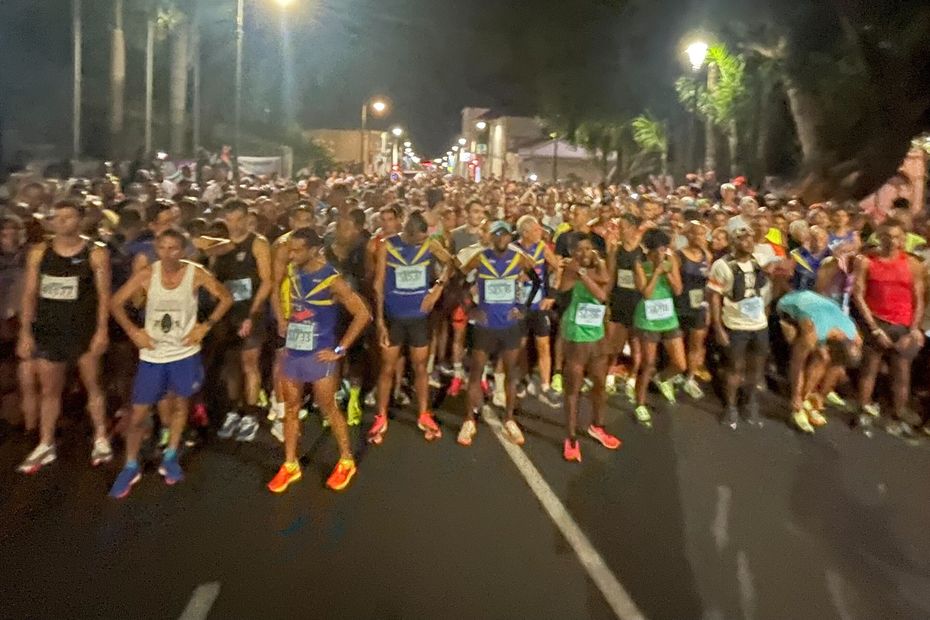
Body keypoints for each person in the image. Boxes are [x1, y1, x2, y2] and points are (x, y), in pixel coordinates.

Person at [107, 229, 233, 498]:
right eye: (162, 248)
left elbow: (226, 298)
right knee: (139, 414)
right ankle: (130, 465)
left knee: (180, 406)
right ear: (156, 249)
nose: (167, 254)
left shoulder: (195, 273)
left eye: (173, 248)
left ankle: (171, 455)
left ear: (184, 250)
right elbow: (115, 303)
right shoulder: (147, 274)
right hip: (153, 356)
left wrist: (205, 326)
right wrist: (134, 332)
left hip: (184, 353)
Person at [266, 228, 371, 493]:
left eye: (297, 250)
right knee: (291, 408)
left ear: (314, 250)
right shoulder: (292, 272)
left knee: (328, 407)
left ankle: (346, 459)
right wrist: (281, 320)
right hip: (293, 351)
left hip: (319, 353)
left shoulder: (331, 280)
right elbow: (277, 292)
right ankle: (290, 464)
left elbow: (362, 314)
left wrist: (340, 349)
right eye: (290, 249)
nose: (291, 254)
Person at [16, 199, 113, 473]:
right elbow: (29, 294)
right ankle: (46, 442)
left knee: (93, 384)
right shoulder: (39, 252)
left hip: (83, 329)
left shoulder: (96, 252)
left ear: (79, 220)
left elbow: (105, 296)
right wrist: (25, 332)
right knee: (49, 390)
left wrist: (102, 330)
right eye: (57, 218)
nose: (62, 223)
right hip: (49, 330)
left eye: (68, 217)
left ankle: (101, 437)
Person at [367, 210, 456, 445]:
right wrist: (379, 321)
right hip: (394, 316)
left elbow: (451, 263)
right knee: (387, 367)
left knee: (420, 368)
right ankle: (381, 415)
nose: (421, 241)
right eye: (418, 238)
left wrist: (436, 290)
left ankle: (424, 413)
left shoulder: (428, 244)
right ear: (408, 231)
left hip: (418, 317)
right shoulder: (387, 245)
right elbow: (377, 285)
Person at [457, 221, 540, 447]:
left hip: (509, 325)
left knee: (511, 374)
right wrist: (470, 308)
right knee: (476, 372)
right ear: (492, 237)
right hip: (485, 325)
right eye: (498, 235)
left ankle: (510, 419)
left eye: (505, 235)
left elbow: (536, 281)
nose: (502, 239)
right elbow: (460, 280)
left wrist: (523, 308)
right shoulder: (480, 257)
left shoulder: (519, 258)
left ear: (510, 237)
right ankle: (469, 420)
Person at [852, 219, 925, 433]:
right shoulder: (866, 261)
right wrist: (873, 327)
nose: (891, 241)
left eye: (895, 236)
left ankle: (898, 414)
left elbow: (918, 299)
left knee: (902, 373)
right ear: (879, 237)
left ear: (903, 239)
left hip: (903, 324)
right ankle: (863, 410)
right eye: (886, 236)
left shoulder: (913, 264)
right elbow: (858, 294)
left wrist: (913, 329)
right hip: (876, 321)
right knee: (869, 369)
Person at [212, 199, 272, 442]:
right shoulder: (221, 246)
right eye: (230, 220)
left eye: (239, 220)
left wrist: (252, 314)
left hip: (251, 312)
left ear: (247, 219)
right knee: (231, 365)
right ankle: (235, 410)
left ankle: (250, 413)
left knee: (250, 363)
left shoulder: (257, 243)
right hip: (228, 313)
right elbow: (214, 279)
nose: (234, 225)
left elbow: (267, 281)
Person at [557, 234, 621, 461]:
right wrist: (580, 273)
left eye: (588, 249)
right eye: (580, 249)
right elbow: (598, 294)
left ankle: (598, 425)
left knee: (600, 383)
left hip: (597, 332)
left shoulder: (597, 268)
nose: (584, 253)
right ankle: (571, 437)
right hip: (576, 333)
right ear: (573, 252)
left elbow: (606, 285)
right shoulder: (572, 271)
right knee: (573, 387)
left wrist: (595, 266)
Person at [708, 221, 771, 429]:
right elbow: (715, 297)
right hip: (735, 324)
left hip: (758, 324)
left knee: (756, 366)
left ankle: (750, 401)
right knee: (734, 367)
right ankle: (731, 406)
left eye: (751, 238)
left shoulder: (758, 261)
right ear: (733, 242)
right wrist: (717, 327)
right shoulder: (722, 266)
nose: (749, 242)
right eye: (743, 238)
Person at [776, 290, 861, 433]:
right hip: (791, 305)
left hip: (822, 307)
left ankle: (808, 397)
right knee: (816, 355)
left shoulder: (854, 336)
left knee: (825, 358)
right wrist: (796, 396)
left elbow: (838, 363)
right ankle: (798, 405)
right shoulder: (812, 332)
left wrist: (820, 395)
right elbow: (797, 364)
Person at [631, 228, 687, 427]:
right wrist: (656, 271)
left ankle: (662, 379)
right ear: (650, 250)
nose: (662, 253)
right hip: (648, 317)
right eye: (658, 249)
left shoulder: (671, 262)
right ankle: (640, 402)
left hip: (668, 316)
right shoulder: (639, 264)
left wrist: (668, 272)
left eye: (664, 248)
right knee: (648, 363)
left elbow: (678, 289)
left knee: (680, 364)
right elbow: (645, 292)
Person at [515, 214, 562, 406]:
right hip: (519, 306)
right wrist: (517, 277)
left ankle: (545, 385)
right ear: (525, 232)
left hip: (538, 305)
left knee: (543, 345)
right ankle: (520, 379)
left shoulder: (542, 247)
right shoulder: (514, 249)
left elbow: (558, 267)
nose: (540, 232)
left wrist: (552, 295)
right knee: (519, 346)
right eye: (535, 230)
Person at [605, 214, 644, 401]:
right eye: (619, 227)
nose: (619, 230)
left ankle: (633, 379)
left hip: (638, 302)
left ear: (634, 229)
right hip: (619, 299)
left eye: (623, 227)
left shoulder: (643, 251)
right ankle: (610, 373)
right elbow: (611, 276)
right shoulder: (616, 250)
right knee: (614, 343)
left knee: (636, 343)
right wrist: (606, 300)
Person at [676, 220, 712, 398]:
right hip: (680, 303)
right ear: (687, 235)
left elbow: (710, 284)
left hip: (699, 305)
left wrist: (709, 309)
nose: (698, 237)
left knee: (696, 343)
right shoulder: (678, 255)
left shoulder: (707, 255)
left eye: (701, 234)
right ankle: (675, 372)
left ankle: (690, 377)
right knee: (677, 341)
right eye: (694, 233)